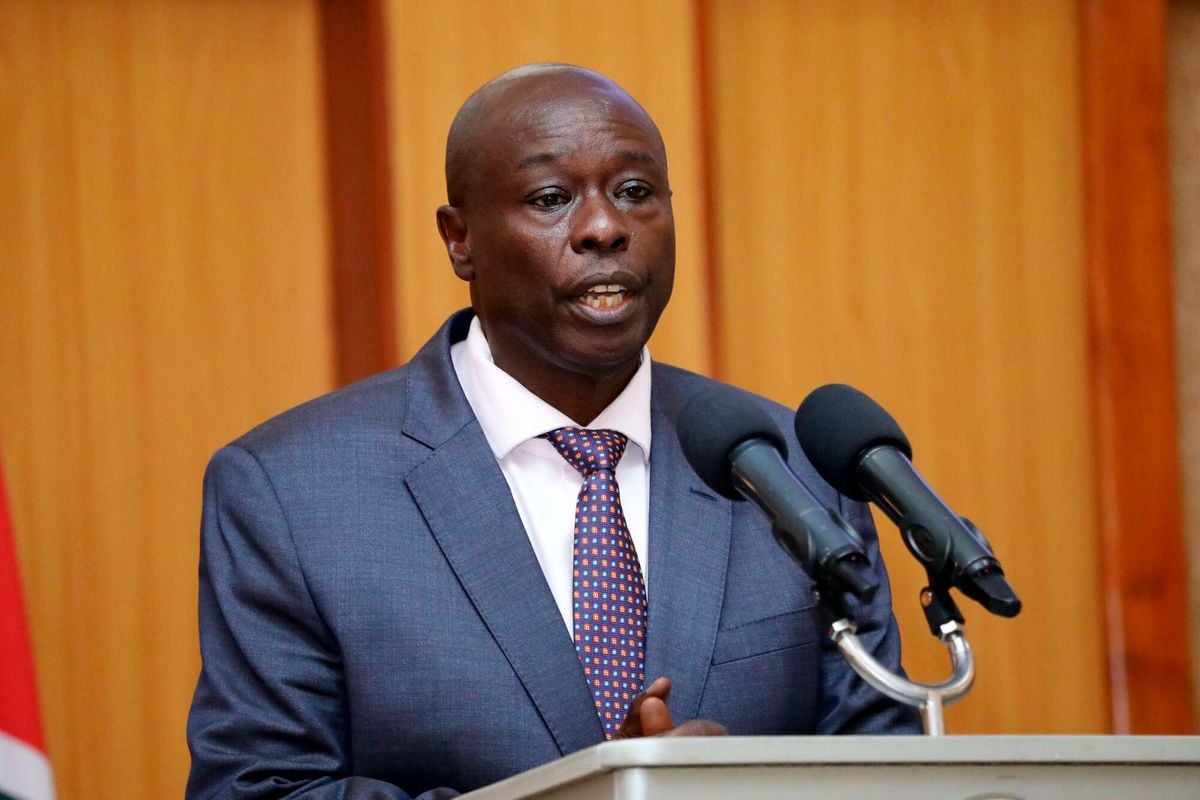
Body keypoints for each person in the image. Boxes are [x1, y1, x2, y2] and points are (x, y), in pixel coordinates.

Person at [185, 64, 919, 800]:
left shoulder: (792, 469)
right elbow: (259, 789)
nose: (605, 228)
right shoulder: (292, 493)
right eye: (551, 199)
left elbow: (884, 768)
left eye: (634, 191)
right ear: (461, 240)